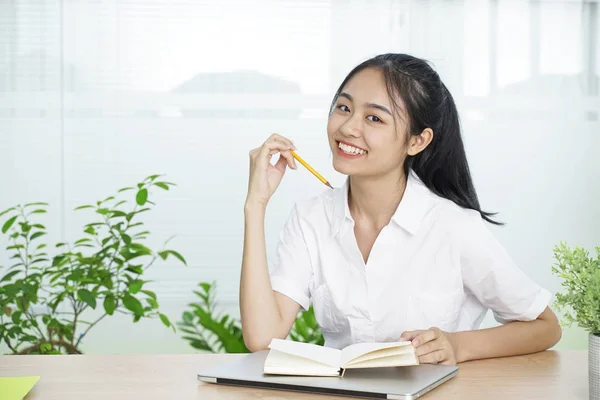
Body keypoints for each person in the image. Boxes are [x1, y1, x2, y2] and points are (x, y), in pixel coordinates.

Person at [239, 53, 562, 365]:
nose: (348, 128)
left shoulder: (452, 225)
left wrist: (457, 345)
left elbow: (545, 327)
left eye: (374, 118)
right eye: (343, 107)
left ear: (417, 141)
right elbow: (262, 338)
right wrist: (256, 204)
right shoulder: (311, 218)